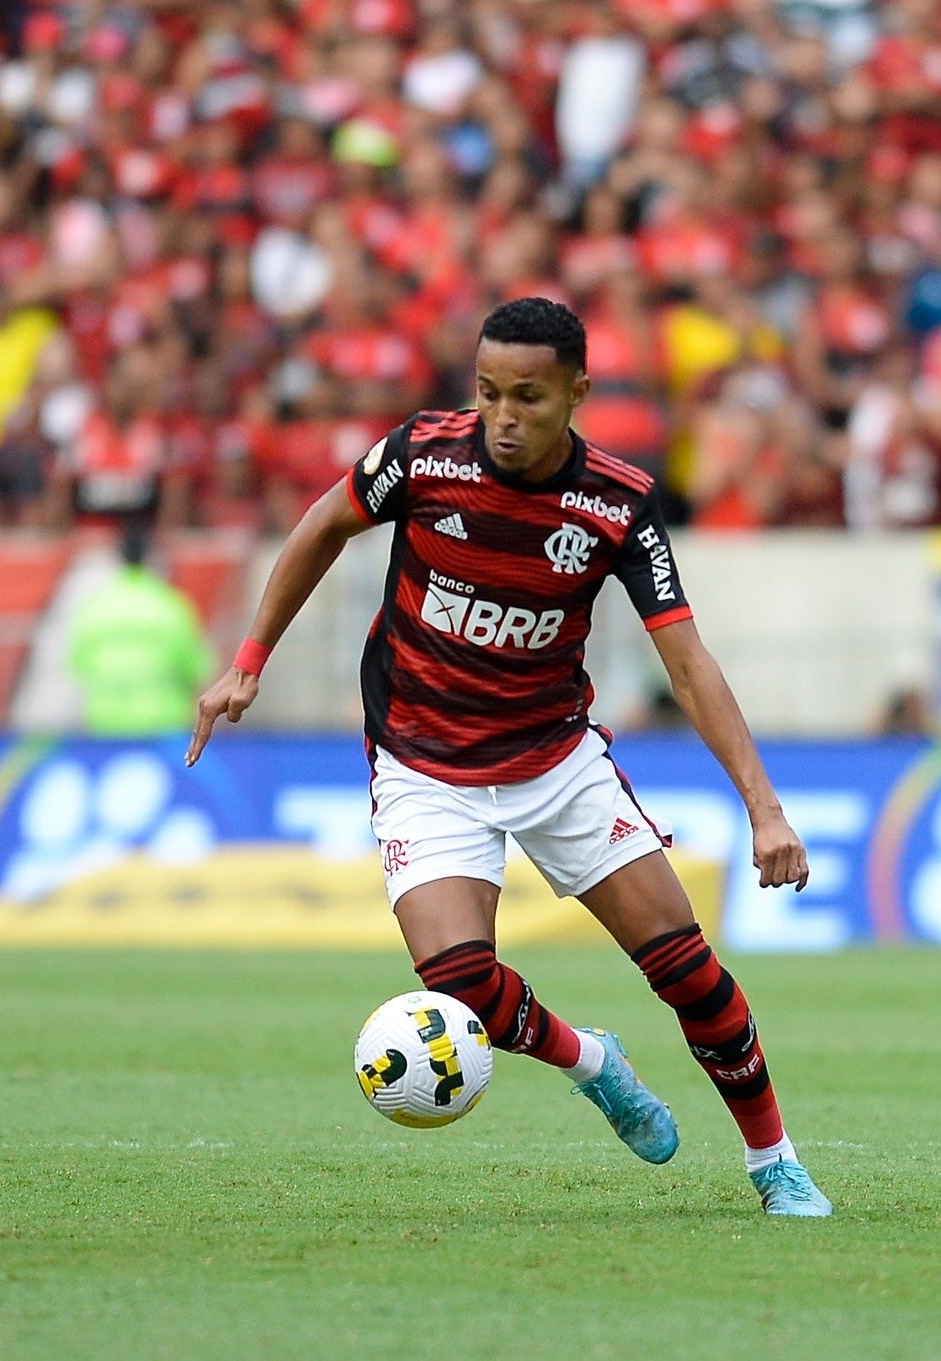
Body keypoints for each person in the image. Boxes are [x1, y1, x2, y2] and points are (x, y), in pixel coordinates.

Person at [187, 297, 832, 1218]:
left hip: (555, 761)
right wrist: (248, 662)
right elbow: (322, 525)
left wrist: (765, 807)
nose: (504, 415)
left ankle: (776, 1162)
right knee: (459, 986)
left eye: (528, 396)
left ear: (576, 393)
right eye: (488, 391)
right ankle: (592, 1060)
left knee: (688, 969)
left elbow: (687, 665)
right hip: (421, 760)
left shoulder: (617, 503)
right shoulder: (423, 456)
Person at [67, 522, 215, 736]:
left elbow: (79, 665)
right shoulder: (172, 606)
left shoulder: (95, 607)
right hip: (162, 722)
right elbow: (197, 668)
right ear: (152, 558)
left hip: (105, 722)